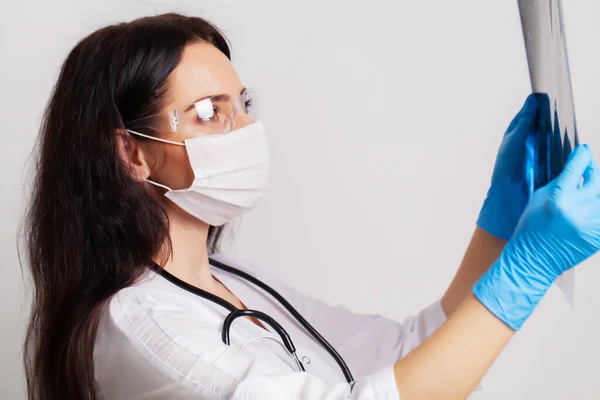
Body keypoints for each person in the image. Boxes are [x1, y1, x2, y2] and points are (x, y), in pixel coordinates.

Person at [22, 13, 600, 400]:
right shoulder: (143, 332)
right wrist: (528, 270)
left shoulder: (230, 279)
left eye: (243, 104)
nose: (246, 129)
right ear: (133, 154)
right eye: (208, 112)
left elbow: (409, 351)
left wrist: (500, 225)